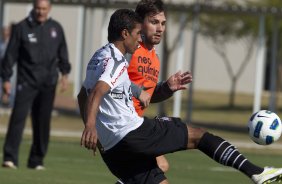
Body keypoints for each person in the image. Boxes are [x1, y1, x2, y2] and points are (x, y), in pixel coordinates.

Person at [78, 7, 282, 184]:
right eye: (137, 33)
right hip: (132, 133)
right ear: (124, 33)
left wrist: (96, 130)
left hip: (113, 149)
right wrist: (89, 126)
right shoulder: (115, 60)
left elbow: (82, 95)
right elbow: (97, 91)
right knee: (198, 136)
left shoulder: (98, 58)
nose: (140, 38)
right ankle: (256, 172)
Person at [1, 0, 71, 169]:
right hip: (26, 82)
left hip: (48, 83)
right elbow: (10, 56)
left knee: (43, 122)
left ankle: (36, 160)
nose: (40, 12)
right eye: (38, 8)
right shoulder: (21, 28)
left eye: (44, 9)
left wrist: (64, 74)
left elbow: (63, 54)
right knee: (18, 118)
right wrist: (6, 79)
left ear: (49, 9)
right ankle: (10, 158)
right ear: (33, 8)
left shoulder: (56, 28)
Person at [127, 0, 192, 173]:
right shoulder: (129, 49)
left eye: (163, 23)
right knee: (158, 166)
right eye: (154, 22)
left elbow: (148, 97)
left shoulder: (154, 58)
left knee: (156, 167)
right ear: (139, 23)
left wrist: (167, 88)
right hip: (120, 123)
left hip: (134, 124)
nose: (160, 28)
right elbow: (111, 80)